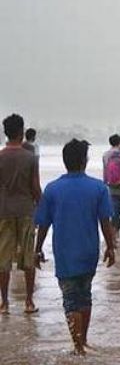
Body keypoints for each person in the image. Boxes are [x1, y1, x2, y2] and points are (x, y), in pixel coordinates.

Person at [33, 139, 116, 355]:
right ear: (84, 161)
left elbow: (43, 223)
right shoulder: (98, 187)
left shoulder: (52, 189)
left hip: (64, 252)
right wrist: (110, 247)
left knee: (70, 300)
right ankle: (84, 341)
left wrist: (37, 248)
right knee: (85, 296)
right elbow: (105, 222)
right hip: (89, 250)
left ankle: (77, 346)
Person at [0, 114, 42, 314]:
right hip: (26, 210)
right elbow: (35, 187)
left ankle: (5, 303)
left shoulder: (0, 156)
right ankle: (28, 301)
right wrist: (43, 207)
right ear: (21, 131)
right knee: (28, 257)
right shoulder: (30, 157)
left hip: (3, 211)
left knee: (3, 259)